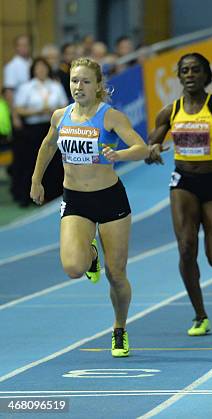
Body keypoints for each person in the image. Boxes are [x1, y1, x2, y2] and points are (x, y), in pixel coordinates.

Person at [30, 57, 149, 357]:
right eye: (73, 81)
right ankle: (90, 252)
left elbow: (142, 148)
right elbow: (47, 145)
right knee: (73, 267)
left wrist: (118, 155)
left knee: (117, 275)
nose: (78, 86)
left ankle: (119, 328)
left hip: (110, 200)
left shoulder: (110, 117)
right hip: (75, 200)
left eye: (85, 81)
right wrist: (36, 181)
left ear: (98, 86)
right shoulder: (61, 115)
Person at [147, 53, 212, 336]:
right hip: (183, 183)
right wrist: (153, 150)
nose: (190, 74)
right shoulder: (169, 112)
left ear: (206, 75)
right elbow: (150, 146)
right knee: (185, 247)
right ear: (179, 77)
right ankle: (199, 314)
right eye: (185, 71)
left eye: (195, 70)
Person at [11, 58, 68, 206]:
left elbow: (64, 105)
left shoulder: (55, 86)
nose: (41, 70)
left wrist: (53, 111)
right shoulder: (27, 87)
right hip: (33, 129)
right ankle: (29, 195)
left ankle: (54, 194)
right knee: (33, 162)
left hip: (52, 126)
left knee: (55, 162)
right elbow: (19, 109)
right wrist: (37, 111)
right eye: (38, 68)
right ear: (33, 70)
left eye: (44, 67)